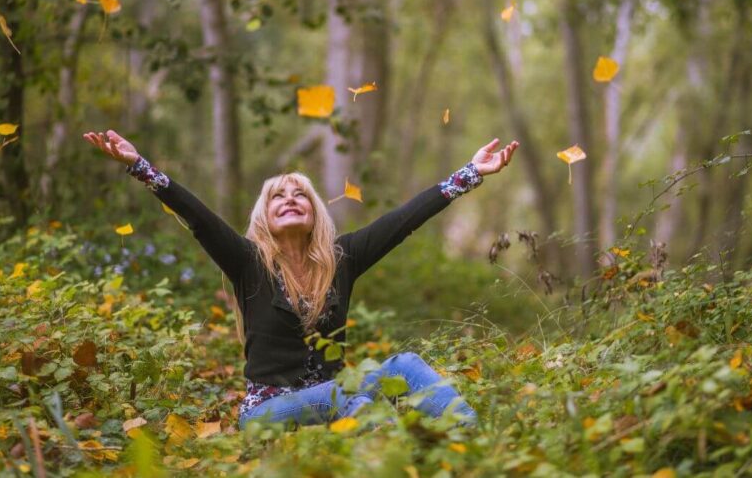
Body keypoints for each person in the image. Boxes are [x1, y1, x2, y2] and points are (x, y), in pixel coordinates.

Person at [83, 129, 518, 429]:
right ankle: (381, 438)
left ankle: (472, 438)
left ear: (314, 214)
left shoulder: (342, 259)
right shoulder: (248, 262)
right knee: (353, 399)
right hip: (267, 411)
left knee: (400, 368)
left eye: (300, 195)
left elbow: (403, 220)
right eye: (278, 196)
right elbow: (197, 217)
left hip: (338, 395)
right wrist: (139, 165)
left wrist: (471, 173)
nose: (290, 200)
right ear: (264, 217)